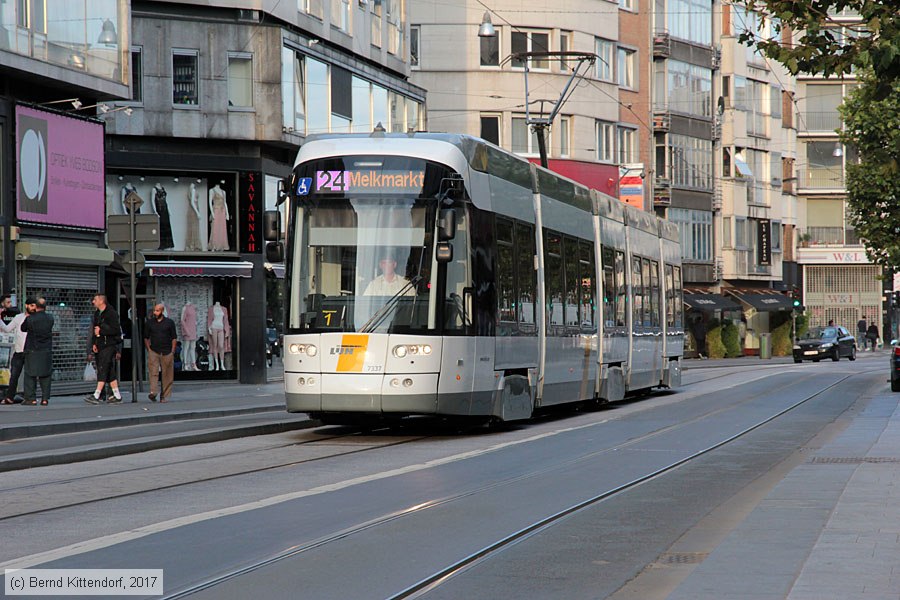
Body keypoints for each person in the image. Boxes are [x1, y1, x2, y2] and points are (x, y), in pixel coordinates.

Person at [85, 295, 123, 404]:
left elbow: (116, 330)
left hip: (109, 345)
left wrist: (101, 331)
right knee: (109, 370)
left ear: (101, 301)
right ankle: (117, 395)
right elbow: (94, 331)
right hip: (100, 344)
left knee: (103, 368)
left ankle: (96, 395)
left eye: (95, 300)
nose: (93, 301)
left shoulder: (111, 314)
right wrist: (94, 343)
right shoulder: (97, 314)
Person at [20, 298, 53, 406]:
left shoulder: (30, 318)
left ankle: (31, 398)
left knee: (30, 374)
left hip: (32, 349)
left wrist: (30, 315)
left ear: (36, 306)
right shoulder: (50, 318)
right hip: (46, 350)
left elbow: (23, 328)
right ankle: (45, 398)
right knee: (46, 374)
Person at [145, 303, 178, 402]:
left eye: (157, 311)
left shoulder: (169, 323)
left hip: (167, 351)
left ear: (162, 311)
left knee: (167, 375)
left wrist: (173, 350)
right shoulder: (150, 323)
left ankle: (164, 396)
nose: (155, 313)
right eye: (154, 310)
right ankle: (153, 392)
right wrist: (149, 349)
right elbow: (146, 337)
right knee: (153, 372)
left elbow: (174, 337)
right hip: (154, 350)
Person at [0, 306, 27, 404]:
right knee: (14, 374)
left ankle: (29, 396)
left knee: (29, 375)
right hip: (19, 350)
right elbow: (7, 329)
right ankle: (10, 397)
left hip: (30, 351)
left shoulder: (35, 318)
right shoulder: (18, 317)